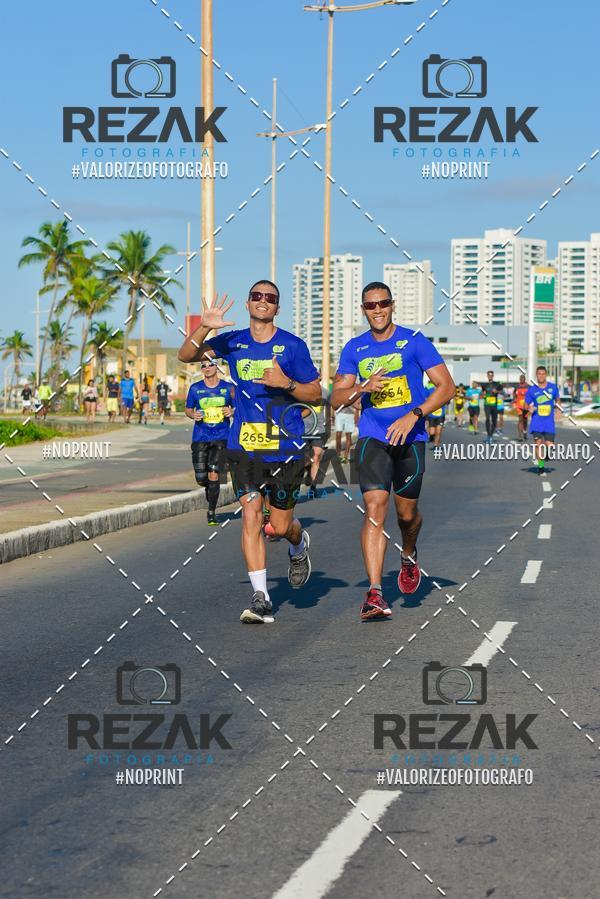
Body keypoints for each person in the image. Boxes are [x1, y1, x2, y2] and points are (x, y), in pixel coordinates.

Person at [178, 282, 321, 624]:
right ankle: (261, 597)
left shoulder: (292, 346)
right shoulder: (233, 341)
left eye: (270, 298)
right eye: (257, 296)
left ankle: (298, 545)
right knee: (251, 513)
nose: (263, 302)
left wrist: (286, 384)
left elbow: (315, 392)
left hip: (285, 447)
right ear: (247, 303)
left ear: (277, 307)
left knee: (282, 524)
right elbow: (186, 355)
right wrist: (206, 326)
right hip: (244, 446)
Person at [332, 281, 455, 621]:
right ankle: (374, 592)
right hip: (373, 437)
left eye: (383, 303)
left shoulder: (414, 342)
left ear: (392, 304)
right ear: (363, 309)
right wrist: (362, 387)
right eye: (371, 305)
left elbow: (447, 387)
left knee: (406, 516)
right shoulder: (354, 349)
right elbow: (336, 398)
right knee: (374, 507)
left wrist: (414, 414)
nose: (378, 310)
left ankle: (409, 552)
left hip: (410, 438)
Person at [185, 359, 235, 526]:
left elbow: (238, 407)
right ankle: (209, 488)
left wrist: (231, 410)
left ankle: (211, 511)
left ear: (217, 367)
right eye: (203, 366)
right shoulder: (195, 388)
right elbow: (188, 409)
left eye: (210, 364)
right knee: (201, 478)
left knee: (214, 474)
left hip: (222, 437)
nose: (207, 368)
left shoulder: (228, 388)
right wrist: (193, 415)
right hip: (200, 437)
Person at [525, 366, 560, 475]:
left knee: (549, 445)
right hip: (537, 421)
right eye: (539, 374)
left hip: (549, 422)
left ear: (546, 375)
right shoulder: (532, 390)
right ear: (536, 375)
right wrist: (529, 408)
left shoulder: (553, 387)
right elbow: (525, 404)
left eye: (543, 373)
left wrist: (558, 410)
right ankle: (541, 467)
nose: (541, 375)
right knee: (538, 444)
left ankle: (548, 454)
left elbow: (557, 400)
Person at [480, 371, 503, 443]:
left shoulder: (497, 384)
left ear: (493, 376)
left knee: (494, 421)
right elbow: (482, 393)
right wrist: (482, 395)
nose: (490, 376)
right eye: (489, 375)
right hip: (487, 404)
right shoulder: (484, 385)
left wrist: (497, 391)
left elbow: (502, 391)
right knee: (487, 419)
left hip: (494, 405)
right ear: (487, 376)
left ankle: (491, 435)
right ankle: (488, 436)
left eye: (491, 375)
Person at [513, 374, 530, 440]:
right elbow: (514, 394)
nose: (521, 380)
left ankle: (525, 431)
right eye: (520, 378)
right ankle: (519, 435)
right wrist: (514, 400)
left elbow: (531, 395)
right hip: (519, 405)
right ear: (519, 379)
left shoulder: (528, 386)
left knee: (525, 419)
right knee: (520, 419)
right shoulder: (517, 386)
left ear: (525, 379)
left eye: (523, 378)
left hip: (526, 405)